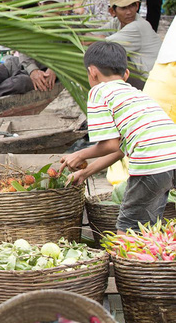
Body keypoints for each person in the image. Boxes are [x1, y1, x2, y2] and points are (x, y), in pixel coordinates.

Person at [61, 41, 176, 232]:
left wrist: (79, 155)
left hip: (153, 161)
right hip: (171, 156)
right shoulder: (137, 94)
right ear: (126, 74)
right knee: (148, 226)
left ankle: (127, 260)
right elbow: (121, 150)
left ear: (92, 72)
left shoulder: (100, 91)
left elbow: (110, 145)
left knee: (128, 229)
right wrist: (85, 172)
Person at [100, 0, 162, 85]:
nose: (129, 12)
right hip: (144, 77)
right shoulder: (117, 22)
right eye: (123, 8)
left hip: (153, 82)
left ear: (137, 6)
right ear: (112, 11)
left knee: (110, 58)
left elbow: (101, 44)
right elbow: (97, 34)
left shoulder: (138, 26)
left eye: (132, 6)